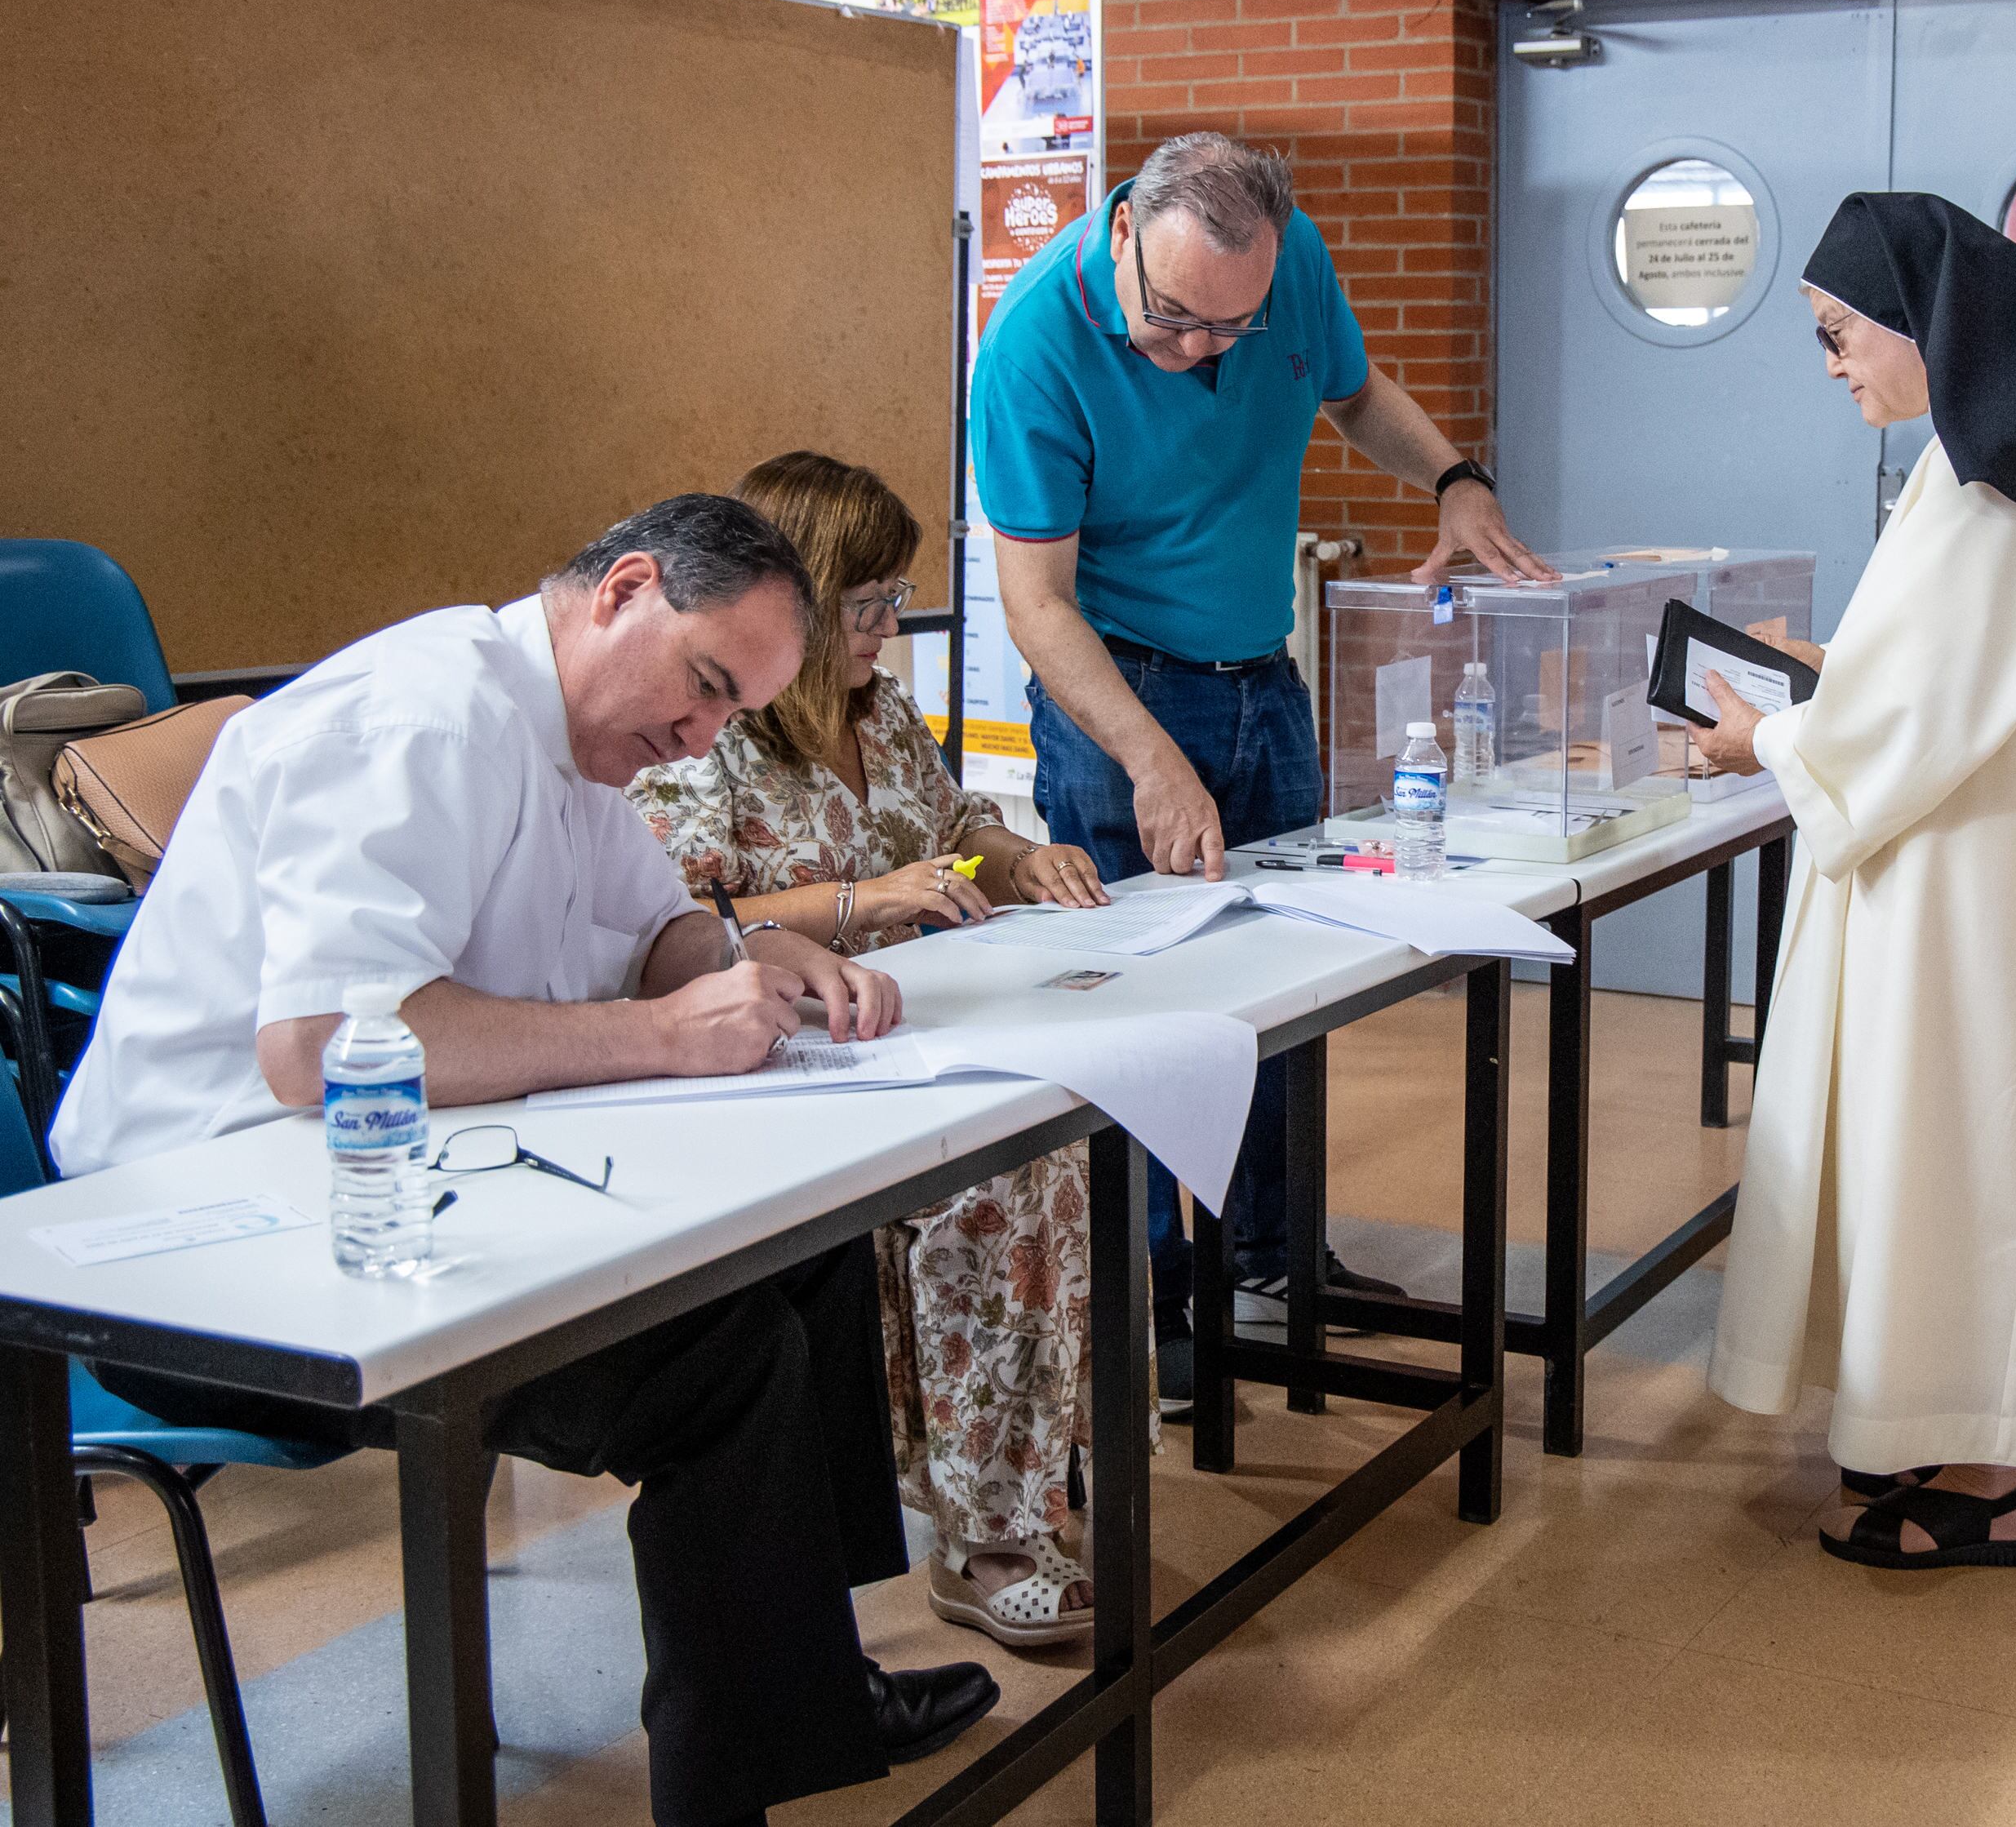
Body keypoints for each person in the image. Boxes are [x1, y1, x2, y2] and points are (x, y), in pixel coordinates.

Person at [49, 496, 997, 1827]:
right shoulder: (423, 716)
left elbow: (650, 924)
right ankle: (730, 1788)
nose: (698, 735)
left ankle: (805, 1677)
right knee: (721, 1358)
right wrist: (662, 1032)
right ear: (622, 591)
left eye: (731, 715)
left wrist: (738, 959)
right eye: (706, 687)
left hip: (392, 1188)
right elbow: (324, 1046)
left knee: (811, 1249)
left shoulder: (572, 737)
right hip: (218, 1242)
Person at [971, 130, 1555, 1396]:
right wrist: (1149, 758)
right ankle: (1149, 1301)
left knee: (1294, 984)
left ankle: (1274, 1254)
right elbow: (1037, 603)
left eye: (1229, 328)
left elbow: (1353, 394)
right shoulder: (1031, 348)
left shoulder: (1281, 272)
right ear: (1121, 231)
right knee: (1138, 1011)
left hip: (1261, 676)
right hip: (1116, 691)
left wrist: (1454, 476)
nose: (1197, 351)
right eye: (1174, 319)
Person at [1695, 193, 2016, 1570]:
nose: (1837, 364)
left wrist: (1766, 733)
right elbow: (1934, 674)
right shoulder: (2010, 453)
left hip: (1976, 872)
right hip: (1985, 846)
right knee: (1957, 1139)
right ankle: (1951, 1423)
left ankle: (1992, 1475)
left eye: (1843, 335)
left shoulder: (2002, 481)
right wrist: (1824, 689)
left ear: (1927, 324)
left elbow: (1920, 708)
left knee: (1965, 1139)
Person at [628, 451, 1123, 1648]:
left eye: (894, 602)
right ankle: (985, 1531)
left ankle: (1026, 1482)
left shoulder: (882, 715)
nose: (885, 629)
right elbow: (678, 918)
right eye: (865, 606)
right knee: (1006, 1178)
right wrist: (863, 899)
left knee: (1065, 1122)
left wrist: (1020, 862)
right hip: (770, 1050)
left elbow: (954, 833)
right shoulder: (710, 733)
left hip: (892, 1029)